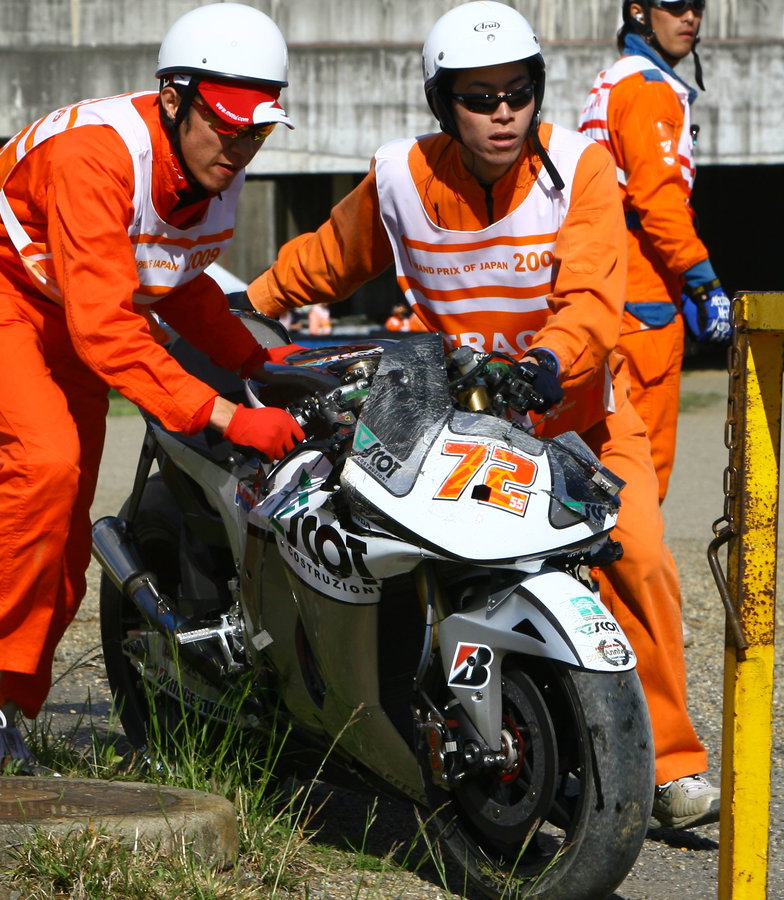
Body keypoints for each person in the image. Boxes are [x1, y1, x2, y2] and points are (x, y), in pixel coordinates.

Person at [247, 1, 718, 829]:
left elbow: (590, 299)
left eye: (517, 93)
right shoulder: (399, 176)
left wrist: (542, 365)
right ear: (443, 104)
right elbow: (319, 262)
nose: (502, 114)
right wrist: (233, 324)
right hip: (446, 425)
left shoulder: (582, 170)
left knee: (640, 561)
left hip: (576, 419)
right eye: (478, 97)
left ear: (538, 91)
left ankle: (671, 769)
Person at [0, 2, 304, 769]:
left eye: (256, 130)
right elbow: (109, 331)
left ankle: (0, 708)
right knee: (43, 462)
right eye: (225, 122)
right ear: (172, 97)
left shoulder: (217, 173)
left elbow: (176, 282)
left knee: (63, 529)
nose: (240, 145)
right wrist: (223, 412)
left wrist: (257, 361)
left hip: (66, 309)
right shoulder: (97, 154)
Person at [580, 0, 729, 502]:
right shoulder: (648, 89)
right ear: (640, 12)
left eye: (697, 6)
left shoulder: (613, 81)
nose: (690, 16)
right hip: (642, 301)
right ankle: (622, 581)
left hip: (613, 285)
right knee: (643, 469)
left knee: (605, 462)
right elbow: (658, 201)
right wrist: (704, 282)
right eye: (674, 4)